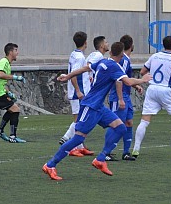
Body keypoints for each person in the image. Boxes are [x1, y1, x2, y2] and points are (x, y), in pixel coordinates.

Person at [42, 42, 151, 180]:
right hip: (90, 106)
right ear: (122, 54)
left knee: (120, 128)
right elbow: (127, 82)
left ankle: (100, 159)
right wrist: (143, 80)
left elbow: (84, 69)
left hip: (99, 106)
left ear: (111, 52)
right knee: (78, 139)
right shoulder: (113, 66)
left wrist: (68, 76)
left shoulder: (103, 62)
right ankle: (50, 165)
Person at [131, 36, 171, 158]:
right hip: (165, 90)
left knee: (144, 120)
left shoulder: (154, 56)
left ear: (163, 44)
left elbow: (142, 71)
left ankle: (136, 149)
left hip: (152, 89)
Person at [106, 34, 142, 161]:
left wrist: (135, 86)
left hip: (125, 95)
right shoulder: (123, 60)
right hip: (118, 97)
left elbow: (124, 78)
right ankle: (106, 152)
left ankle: (126, 152)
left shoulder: (125, 59)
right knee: (116, 124)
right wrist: (120, 98)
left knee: (129, 122)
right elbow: (119, 80)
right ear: (132, 46)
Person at [58, 31, 93, 157]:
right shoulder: (80, 57)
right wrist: (78, 90)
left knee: (80, 119)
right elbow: (74, 74)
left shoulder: (74, 54)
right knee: (78, 120)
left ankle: (80, 146)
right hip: (78, 93)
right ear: (85, 42)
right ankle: (68, 142)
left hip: (76, 91)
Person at [0, 42, 27, 143]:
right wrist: (15, 77)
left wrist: (9, 93)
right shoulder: (4, 62)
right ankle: (13, 136)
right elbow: (0, 75)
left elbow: (1, 83)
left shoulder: (7, 63)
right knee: (15, 109)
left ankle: (0, 130)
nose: (18, 53)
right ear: (10, 52)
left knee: (12, 109)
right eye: (16, 50)